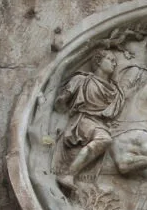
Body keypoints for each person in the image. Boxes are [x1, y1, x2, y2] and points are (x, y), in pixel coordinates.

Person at [53, 49, 125, 192]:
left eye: (115, 61)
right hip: (83, 120)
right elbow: (60, 103)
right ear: (98, 61)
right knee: (104, 140)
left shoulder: (116, 91)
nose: (115, 63)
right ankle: (69, 174)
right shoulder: (81, 80)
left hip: (102, 124)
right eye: (110, 59)